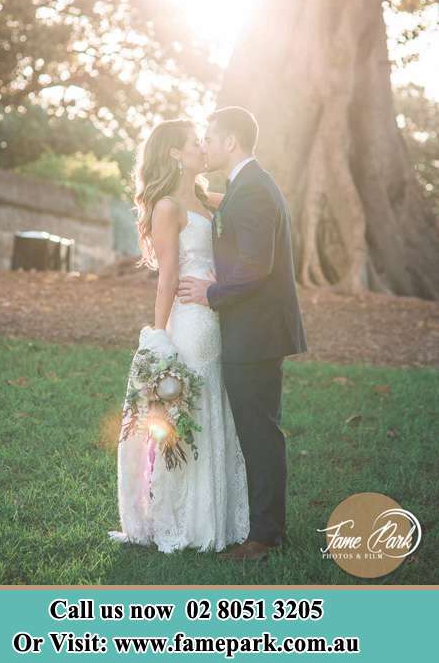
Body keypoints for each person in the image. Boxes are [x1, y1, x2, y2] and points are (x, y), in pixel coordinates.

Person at [108, 119, 249, 553]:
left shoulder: (209, 200)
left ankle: (215, 515)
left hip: (218, 313)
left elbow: (252, 203)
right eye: (194, 144)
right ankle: (185, 519)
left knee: (212, 410)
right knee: (189, 416)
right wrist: (158, 336)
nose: (202, 149)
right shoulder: (169, 206)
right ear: (175, 154)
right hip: (191, 321)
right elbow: (167, 275)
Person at [178, 106, 307, 561]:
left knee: (258, 434)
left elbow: (256, 266)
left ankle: (264, 537)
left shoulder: (252, 190)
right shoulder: (246, 187)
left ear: (230, 141)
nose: (205, 145)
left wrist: (210, 291)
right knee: (259, 430)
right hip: (255, 330)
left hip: (255, 333)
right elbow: (230, 223)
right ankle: (265, 528)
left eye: (210, 138)